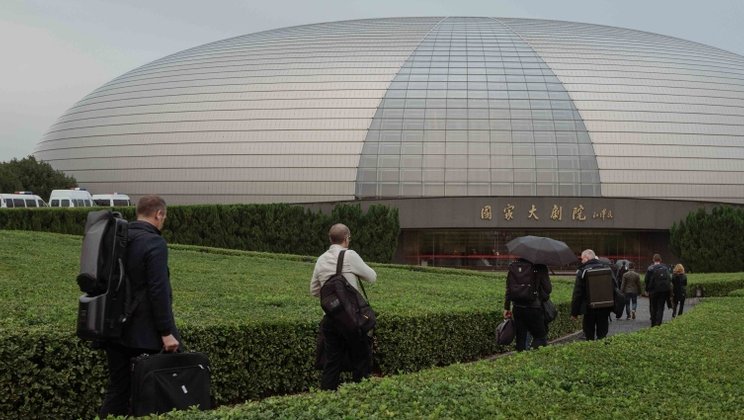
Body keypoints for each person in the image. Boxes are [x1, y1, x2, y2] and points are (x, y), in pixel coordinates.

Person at [99, 195, 180, 417]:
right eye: (163, 217)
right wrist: (166, 332)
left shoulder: (118, 237)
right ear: (158, 214)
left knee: (118, 390)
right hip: (143, 333)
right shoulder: (154, 242)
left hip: (112, 327)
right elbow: (158, 290)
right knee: (155, 391)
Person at [310, 223, 377, 391]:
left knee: (332, 363)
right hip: (353, 319)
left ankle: (327, 398)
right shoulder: (350, 255)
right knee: (361, 361)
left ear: (330, 239)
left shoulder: (321, 259)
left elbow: (314, 290)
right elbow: (372, 277)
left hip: (331, 319)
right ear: (347, 238)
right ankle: (358, 398)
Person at [503, 259, 552, 352]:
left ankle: (522, 359)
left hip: (517, 307)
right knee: (540, 336)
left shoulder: (514, 266)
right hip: (534, 308)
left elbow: (508, 288)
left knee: (521, 338)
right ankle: (535, 358)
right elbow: (548, 288)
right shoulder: (540, 266)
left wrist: (506, 307)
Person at [571, 249, 613, 340]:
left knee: (589, 335)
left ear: (586, 258)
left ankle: (591, 351)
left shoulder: (582, 271)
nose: (581, 261)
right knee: (602, 335)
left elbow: (577, 293)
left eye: (582, 259)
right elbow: (614, 287)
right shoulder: (606, 268)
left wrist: (574, 312)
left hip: (588, 309)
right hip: (604, 307)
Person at [644, 254, 674, 327]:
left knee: (653, 306)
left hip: (653, 291)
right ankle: (659, 323)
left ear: (653, 260)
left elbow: (646, 280)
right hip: (663, 291)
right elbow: (669, 279)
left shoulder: (650, 268)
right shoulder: (665, 268)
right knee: (661, 307)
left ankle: (653, 323)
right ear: (660, 260)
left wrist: (646, 290)